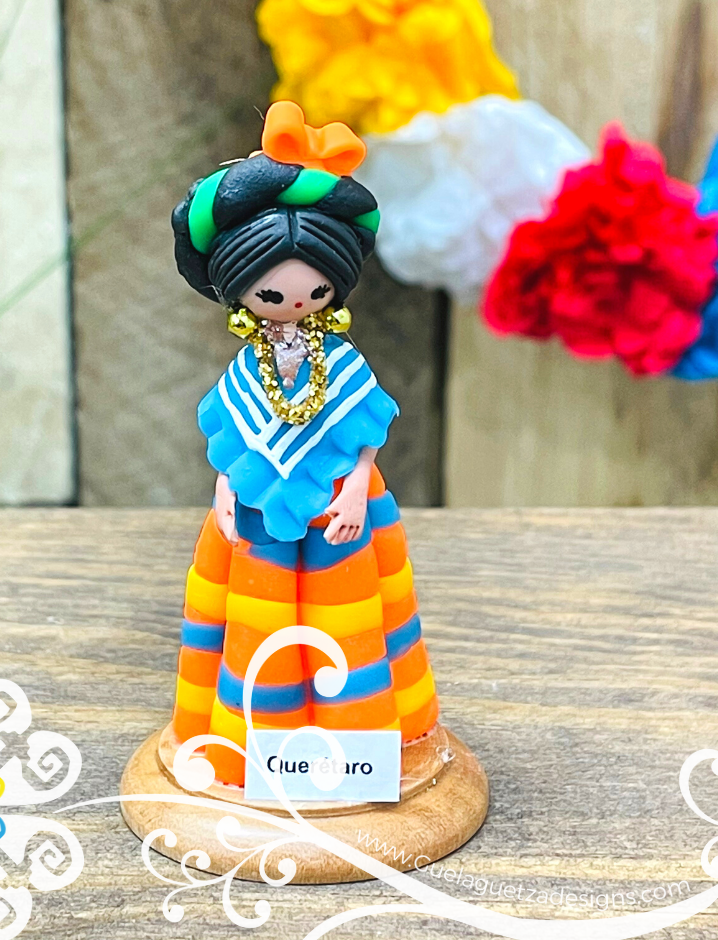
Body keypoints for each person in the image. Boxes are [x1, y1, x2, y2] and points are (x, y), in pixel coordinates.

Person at [169, 101, 439, 787]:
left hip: (341, 507)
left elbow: (364, 432)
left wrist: (355, 490)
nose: (295, 303)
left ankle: (358, 744)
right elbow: (234, 435)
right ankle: (250, 745)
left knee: (353, 620)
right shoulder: (249, 368)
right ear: (239, 289)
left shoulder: (339, 363)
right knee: (250, 620)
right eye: (273, 291)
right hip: (257, 507)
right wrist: (225, 486)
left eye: (316, 288)